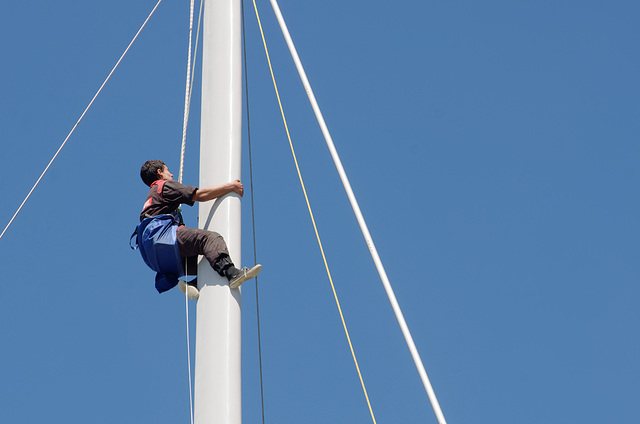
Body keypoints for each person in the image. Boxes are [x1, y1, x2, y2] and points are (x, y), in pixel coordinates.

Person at [138, 159, 261, 298]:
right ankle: (233, 274)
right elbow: (199, 195)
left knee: (210, 257)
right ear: (159, 172)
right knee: (210, 239)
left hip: (156, 257)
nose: (171, 175)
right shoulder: (164, 186)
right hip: (164, 239)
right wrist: (231, 187)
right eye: (168, 170)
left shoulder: (152, 197)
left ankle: (194, 284)